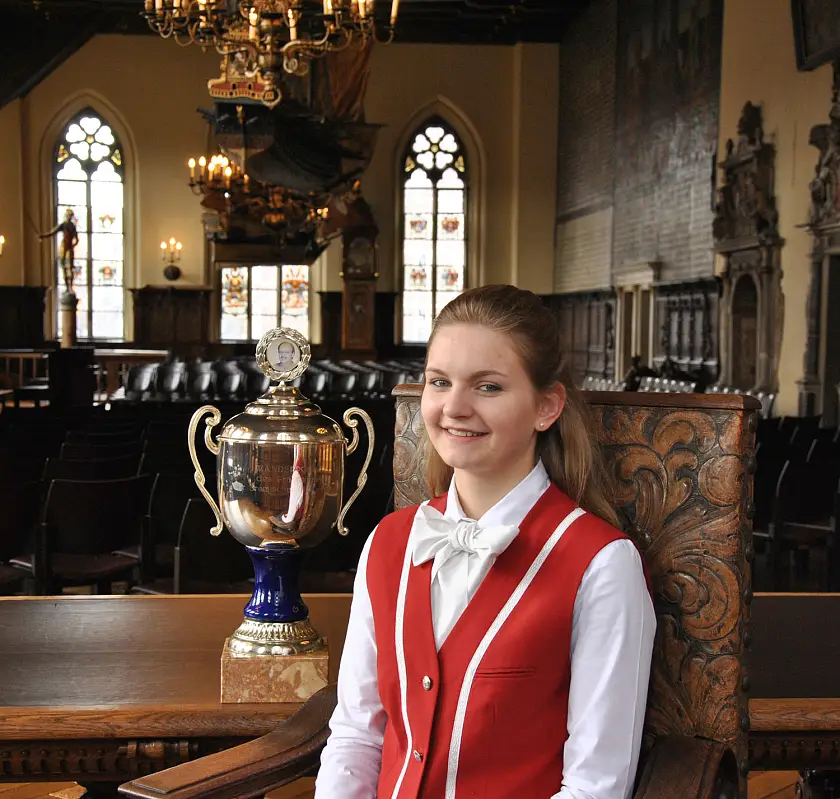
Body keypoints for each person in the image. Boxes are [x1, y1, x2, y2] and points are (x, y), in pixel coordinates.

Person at [315, 285, 656, 799]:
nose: (454, 407)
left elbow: (595, 787)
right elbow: (357, 735)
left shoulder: (603, 566)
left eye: (488, 387)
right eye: (439, 381)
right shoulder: (389, 540)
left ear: (546, 407)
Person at [40, 208, 79, 295]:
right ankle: (67, 288)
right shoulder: (63, 225)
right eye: (68, 215)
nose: (68, 217)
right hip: (63, 247)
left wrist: (72, 245)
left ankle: (70, 287)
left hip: (69, 248)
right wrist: (43, 236)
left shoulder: (72, 226)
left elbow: (76, 239)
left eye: (70, 216)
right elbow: (52, 232)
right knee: (64, 268)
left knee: (70, 267)